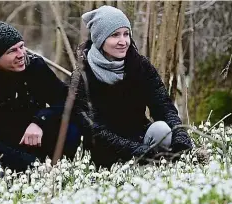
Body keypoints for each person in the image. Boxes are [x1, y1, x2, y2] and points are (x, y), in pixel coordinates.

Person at [70, 6, 193, 169]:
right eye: (115, 35)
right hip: (103, 150)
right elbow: (92, 128)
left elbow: (163, 107)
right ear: (100, 39)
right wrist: (135, 150)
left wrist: (180, 136)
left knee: (162, 129)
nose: (123, 41)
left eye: (126, 34)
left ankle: (159, 168)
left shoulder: (140, 66)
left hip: (140, 139)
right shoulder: (82, 75)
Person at [0, 21, 81, 176]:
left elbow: (66, 99)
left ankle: (61, 173)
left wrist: (39, 120)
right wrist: (29, 163)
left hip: (23, 141)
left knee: (73, 126)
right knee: (0, 175)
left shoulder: (34, 65)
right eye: (12, 51)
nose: (21, 54)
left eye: (21, 46)